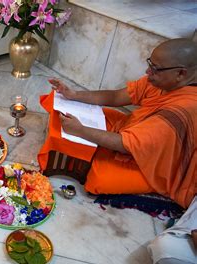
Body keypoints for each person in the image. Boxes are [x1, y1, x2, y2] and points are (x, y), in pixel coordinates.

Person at [39, 38, 196, 209]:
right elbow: (116, 97)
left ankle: (96, 151)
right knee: (75, 112)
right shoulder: (162, 81)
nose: (148, 71)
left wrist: (81, 131)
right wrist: (73, 94)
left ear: (181, 74)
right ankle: (94, 145)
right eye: (150, 64)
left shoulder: (181, 110)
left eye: (155, 69)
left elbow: (125, 145)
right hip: (134, 131)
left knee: (97, 180)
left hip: (153, 164)